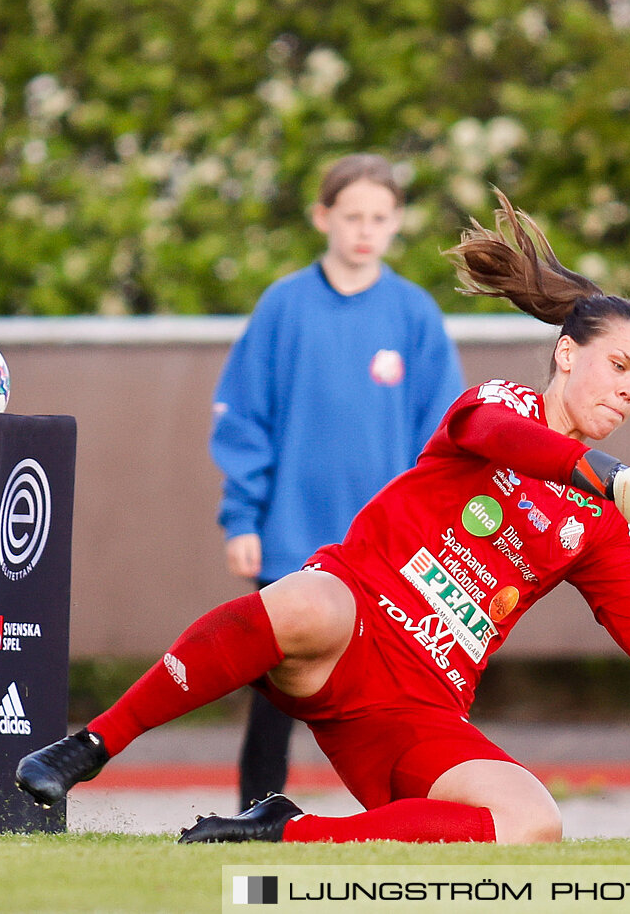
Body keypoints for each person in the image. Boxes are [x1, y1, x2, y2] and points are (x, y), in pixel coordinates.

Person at [17, 192, 630, 844]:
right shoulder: (500, 405)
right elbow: (503, 439)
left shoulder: (601, 522)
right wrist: (613, 477)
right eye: (618, 365)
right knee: (303, 597)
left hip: (417, 708)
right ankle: (89, 745)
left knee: (533, 822)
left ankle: (284, 834)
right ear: (566, 354)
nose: (629, 387)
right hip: (349, 626)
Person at [210, 153, 466, 811]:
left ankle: (403, 813)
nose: (364, 229)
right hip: (290, 537)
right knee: (278, 691)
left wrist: (430, 536)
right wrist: (242, 517)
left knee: (391, 693)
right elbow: (245, 418)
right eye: (352, 215)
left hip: (385, 551)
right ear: (324, 216)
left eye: (379, 218)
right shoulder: (283, 306)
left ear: (395, 224)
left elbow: (443, 438)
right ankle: (252, 815)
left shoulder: (414, 315)